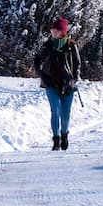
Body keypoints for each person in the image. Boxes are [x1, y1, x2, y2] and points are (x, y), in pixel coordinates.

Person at [34, 17, 81, 151]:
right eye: (52, 30)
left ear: (63, 32)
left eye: (56, 30)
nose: (53, 32)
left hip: (68, 85)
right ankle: (56, 139)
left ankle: (64, 135)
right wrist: (41, 74)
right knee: (55, 111)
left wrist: (74, 79)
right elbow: (37, 60)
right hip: (50, 84)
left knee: (65, 115)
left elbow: (77, 64)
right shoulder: (47, 45)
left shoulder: (71, 46)